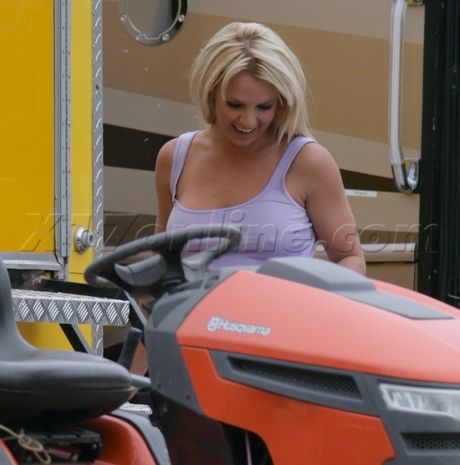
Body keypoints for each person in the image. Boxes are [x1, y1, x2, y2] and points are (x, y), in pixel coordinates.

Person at [154, 22, 365, 274]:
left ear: (282, 102)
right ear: (211, 93)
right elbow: (162, 260)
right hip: (192, 302)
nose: (248, 121)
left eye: (264, 107)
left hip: (283, 302)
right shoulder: (174, 157)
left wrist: (315, 297)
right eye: (235, 105)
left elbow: (350, 258)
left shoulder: (308, 161)